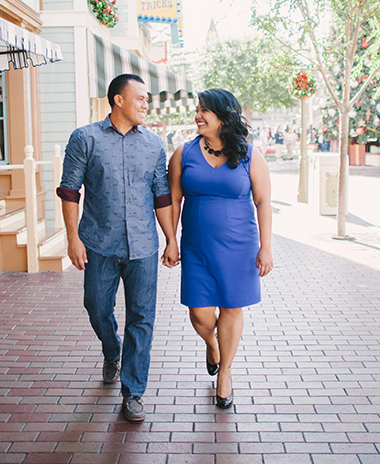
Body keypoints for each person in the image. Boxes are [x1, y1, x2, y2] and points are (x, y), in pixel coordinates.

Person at [57, 73, 178, 423]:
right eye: (140, 98)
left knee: (142, 319)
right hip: (99, 243)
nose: (145, 104)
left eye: (147, 99)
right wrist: (72, 238)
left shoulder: (154, 144)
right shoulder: (85, 138)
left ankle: (133, 391)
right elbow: (69, 190)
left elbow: (161, 195)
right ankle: (112, 351)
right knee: (96, 307)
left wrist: (171, 238)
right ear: (118, 100)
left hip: (143, 246)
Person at [167, 88, 274, 410]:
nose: (198, 115)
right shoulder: (183, 153)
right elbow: (173, 200)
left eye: (205, 110)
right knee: (199, 313)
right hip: (196, 246)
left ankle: (225, 372)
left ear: (223, 115)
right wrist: (171, 240)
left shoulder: (250, 155)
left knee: (231, 308)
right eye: (197, 110)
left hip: (240, 246)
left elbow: (264, 202)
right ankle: (212, 344)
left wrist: (265, 247)